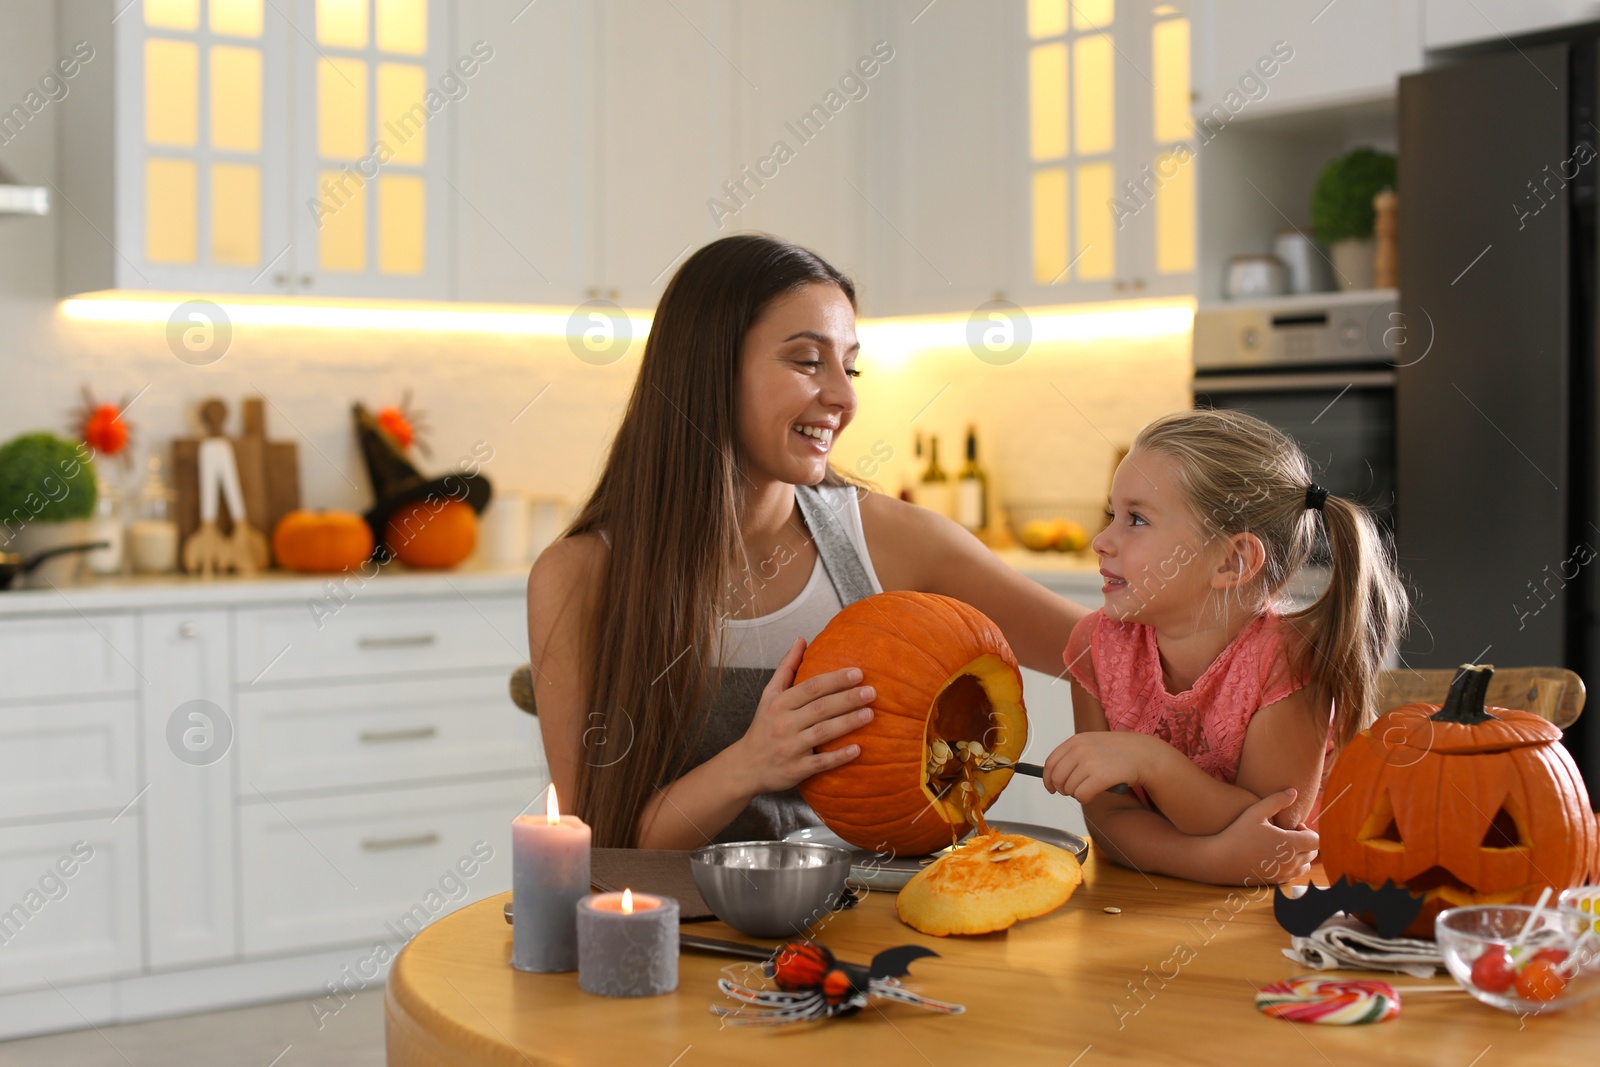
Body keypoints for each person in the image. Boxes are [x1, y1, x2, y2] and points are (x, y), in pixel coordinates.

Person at [528, 235, 1317, 880]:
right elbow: (600, 852)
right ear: (707, 370)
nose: (844, 394)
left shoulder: (888, 537)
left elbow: (1105, 652)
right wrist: (752, 761)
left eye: (850, 365)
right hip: (662, 944)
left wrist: (1263, 683)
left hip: (865, 936)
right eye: (808, 361)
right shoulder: (578, 580)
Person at [1043, 409, 1408, 884]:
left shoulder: (1285, 660)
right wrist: (1208, 861)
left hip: (1296, 897)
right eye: (1113, 514)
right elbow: (1109, 823)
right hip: (1163, 896)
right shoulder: (1095, 647)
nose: (1101, 540)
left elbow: (1271, 828)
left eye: (1135, 519)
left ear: (1232, 562)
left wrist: (1151, 762)